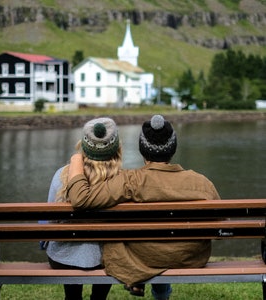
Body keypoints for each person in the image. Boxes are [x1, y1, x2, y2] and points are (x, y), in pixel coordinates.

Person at [66, 114, 220, 300]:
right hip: (190, 258)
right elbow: (219, 228)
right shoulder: (201, 183)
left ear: (142, 150)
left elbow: (81, 199)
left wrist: (76, 161)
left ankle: (139, 282)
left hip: (143, 258)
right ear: (173, 148)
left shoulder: (130, 180)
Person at [46, 117, 122, 300]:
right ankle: (98, 297)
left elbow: (50, 219)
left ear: (84, 144)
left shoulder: (62, 175)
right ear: (116, 147)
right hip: (106, 259)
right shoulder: (122, 181)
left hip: (62, 258)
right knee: (109, 251)